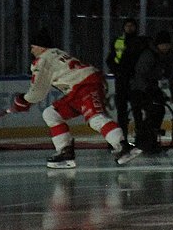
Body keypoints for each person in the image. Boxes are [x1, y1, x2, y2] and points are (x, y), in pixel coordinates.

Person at [13, 29, 141, 168]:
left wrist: (23, 100)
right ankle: (65, 152)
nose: (31, 51)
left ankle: (123, 147)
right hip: (79, 88)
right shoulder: (57, 53)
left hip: (86, 85)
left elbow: (37, 91)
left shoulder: (43, 60)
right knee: (51, 113)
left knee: (95, 119)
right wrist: (27, 100)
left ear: (40, 46)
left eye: (32, 47)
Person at [131, 31, 173, 154]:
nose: (166, 47)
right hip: (138, 88)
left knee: (159, 110)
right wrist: (147, 90)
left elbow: (170, 75)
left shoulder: (167, 56)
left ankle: (150, 140)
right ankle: (143, 140)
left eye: (168, 45)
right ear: (158, 45)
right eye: (163, 45)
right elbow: (140, 74)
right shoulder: (149, 55)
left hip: (151, 86)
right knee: (153, 110)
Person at [107, 17, 145, 142]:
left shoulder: (140, 42)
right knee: (122, 111)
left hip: (134, 80)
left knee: (137, 109)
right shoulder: (118, 41)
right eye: (127, 26)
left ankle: (139, 136)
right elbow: (111, 59)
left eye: (132, 26)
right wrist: (116, 71)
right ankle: (122, 137)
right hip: (122, 79)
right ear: (123, 27)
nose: (129, 28)